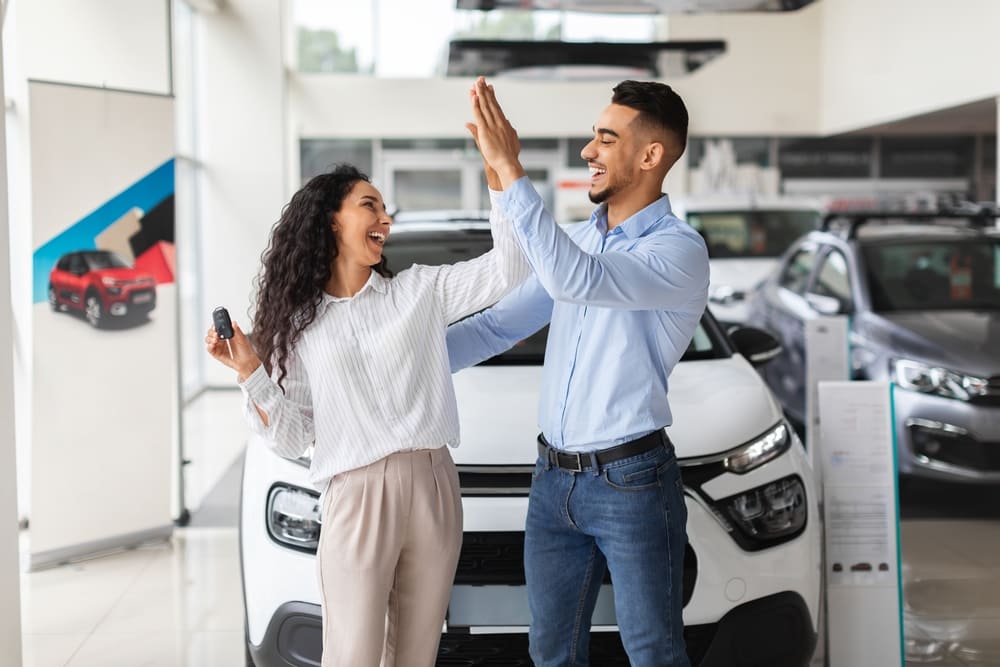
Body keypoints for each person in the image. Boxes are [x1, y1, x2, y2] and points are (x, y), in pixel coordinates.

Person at [205, 156, 529, 665]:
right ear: (332, 221)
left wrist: (500, 178)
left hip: (433, 484)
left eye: (384, 208)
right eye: (369, 206)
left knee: (416, 654)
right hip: (356, 496)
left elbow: (510, 268)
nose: (385, 219)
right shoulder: (299, 329)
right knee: (352, 654)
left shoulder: (420, 291)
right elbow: (291, 439)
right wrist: (252, 374)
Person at [448, 77, 710, 666]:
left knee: (653, 654)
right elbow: (494, 327)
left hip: (632, 482)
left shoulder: (677, 250)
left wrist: (513, 173)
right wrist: (388, 366)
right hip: (551, 482)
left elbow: (576, 280)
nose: (588, 151)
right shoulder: (575, 242)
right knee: (552, 653)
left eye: (605, 138)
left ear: (650, 156)